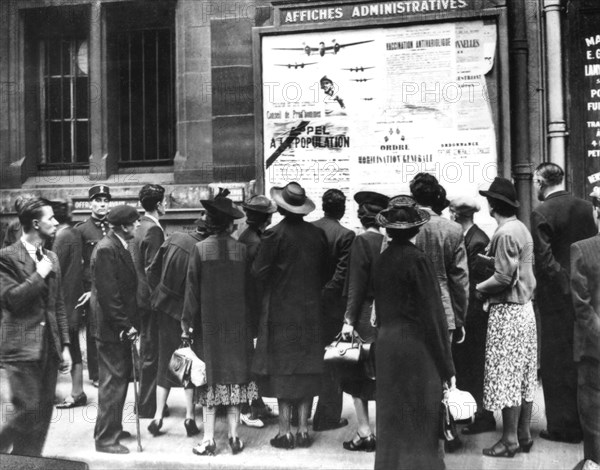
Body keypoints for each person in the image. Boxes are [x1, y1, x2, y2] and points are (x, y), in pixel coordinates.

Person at [373, 199, 455, 470]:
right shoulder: (419, 260)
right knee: (420, 414)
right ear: (416, 230)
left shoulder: (382, 259)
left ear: (389, 230)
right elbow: (433, 315)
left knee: (391, 415)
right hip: (415, 347)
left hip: (386, 343)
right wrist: (446, 365)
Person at [252, 181, 328, 449]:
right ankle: (304, 430)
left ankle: (285, 432)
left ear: (282, 208)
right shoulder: (317, 235)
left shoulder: (273, 235)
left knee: (284, 371)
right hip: (310, 312)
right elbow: (326, 272)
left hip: (281, 313)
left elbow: (258, 274)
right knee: (307, 369)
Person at [182, 194, 257, 456]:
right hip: (238, 328)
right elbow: (251, 293)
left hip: (208, 327)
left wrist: (185, 325)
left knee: (210, 381)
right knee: (235, 380)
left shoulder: (200, 250)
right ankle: (235, 438)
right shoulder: (242, 251)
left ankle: (209, 439)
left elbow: (191, 292)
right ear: (229, 225)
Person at [0, 197, 72, 456]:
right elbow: (11, 300)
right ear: (35, 224)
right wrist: (38, 274)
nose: (55, 222)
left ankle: (26, 463)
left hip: (48, 350)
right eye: (50, 218)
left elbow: (59, 304)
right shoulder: (6, 258)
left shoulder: (51, 256)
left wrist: (64, 345)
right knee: (26, 411)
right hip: (20, 348)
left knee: (41, 417)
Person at [530, 163, 597, 444]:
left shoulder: (541, 213)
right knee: (581, 357)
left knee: (555, 361)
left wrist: (565, 284)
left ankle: (562, 426)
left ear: (540, 181)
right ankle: (586, 424)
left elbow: (544, 262)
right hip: (588, 293)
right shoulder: (584, 207)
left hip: (556, 298)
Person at [475, 177, 537, 457]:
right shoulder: (521, 228)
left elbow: (502, 277)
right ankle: (523, 434)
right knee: (523, 375)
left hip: (508, 312)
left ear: (492, 205)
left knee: (505, 376)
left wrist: (478, 288)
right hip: (525, 309)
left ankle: (509, 439)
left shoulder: (504, 233)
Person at [146, 218, 208, 437]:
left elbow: (152, 270)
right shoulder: (204, 250)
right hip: (187, 314)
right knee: (187, 363)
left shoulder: (174, 238)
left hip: (163, 308)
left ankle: (157, 417)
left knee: (165, 360)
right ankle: (190, 417)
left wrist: (159, 294)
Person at [340, 190, 389, 452]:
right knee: (382, 375)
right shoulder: (390, 242)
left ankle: (364, 432)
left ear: (362, 216)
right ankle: (384, 433)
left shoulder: (361, 242)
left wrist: (348, 321)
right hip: (387, 317)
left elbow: (355, 287)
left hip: (363, 317)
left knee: (358, 375)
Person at [91, 205, 141, 454]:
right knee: (112, 383)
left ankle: (113, 428)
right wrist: (126, 325)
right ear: (124, 226)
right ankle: (105, 439)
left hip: (116, 327)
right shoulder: (107, 249)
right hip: (112, 329)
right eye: (135, 222)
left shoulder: (115, 245)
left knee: (118, 380)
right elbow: (110, 296)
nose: (138, 225)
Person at [448, 196, 496, 434]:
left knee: (475, 366)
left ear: (456, 215)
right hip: (470, 313)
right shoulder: (473, 237)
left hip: (474, 316)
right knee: (468, 365)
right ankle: (475, 414)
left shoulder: (476, 241)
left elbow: (478, 281)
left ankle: (484, 417)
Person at [312, 189, 355, 432]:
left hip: (309, 305)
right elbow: (341, 274)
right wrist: (326, 293)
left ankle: (303, 412)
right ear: (342, 209)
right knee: (332, 362)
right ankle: (327, 417)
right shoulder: (346, 235)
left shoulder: (312, 228)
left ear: (323, 206)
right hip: (332, 308)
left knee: (310, 358)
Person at [410, 173, 469, 342]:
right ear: (436, 195)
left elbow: (385, 272)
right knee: (440, 366)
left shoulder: (398, 226)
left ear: (413, 196)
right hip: (443, 310)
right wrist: (459, 319)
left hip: (406, 311)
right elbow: (460, 280)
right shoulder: (453, 229)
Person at [238, 195, 279, 429]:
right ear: (267, 218)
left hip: (249, 307)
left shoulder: (249, 237)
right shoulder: (255, 242)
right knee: (251, 361)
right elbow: (258, 279)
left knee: (252, 360)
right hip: (253, 310)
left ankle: (257, 402)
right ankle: (248, 406)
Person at [569, 186, 600, 470]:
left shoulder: (582, 249)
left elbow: (582, 306)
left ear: (596, 211)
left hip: (593, 351)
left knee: (594, 421)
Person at [129, 184, 166, 418]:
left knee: (146, 351)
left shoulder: (138, 226)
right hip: (150, 300)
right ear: (160, 205)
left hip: (136, 297)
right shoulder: (154, 230)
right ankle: (146, 406)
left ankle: (144, 401)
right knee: (151, 352)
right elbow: (153, 269)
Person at [75, 184, 112, 387]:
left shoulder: (114, 226)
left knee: (113, 327)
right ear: (91, 203)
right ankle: (97, 373)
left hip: (112, 286)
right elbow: (77, 263)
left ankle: (113, 368)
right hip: (91, 288)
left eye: (106, 201)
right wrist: (85, 290)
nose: (102, 205)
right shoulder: (81, 229)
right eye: (98, 201)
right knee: (93, 329)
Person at [52, 200, 86, 409]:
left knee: (64, 348)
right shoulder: (74, 233)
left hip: (62, 301)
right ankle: (77, 391)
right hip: (74, 299)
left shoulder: (61, 237)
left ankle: (74, 392)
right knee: (73, 347)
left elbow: (54, 271)